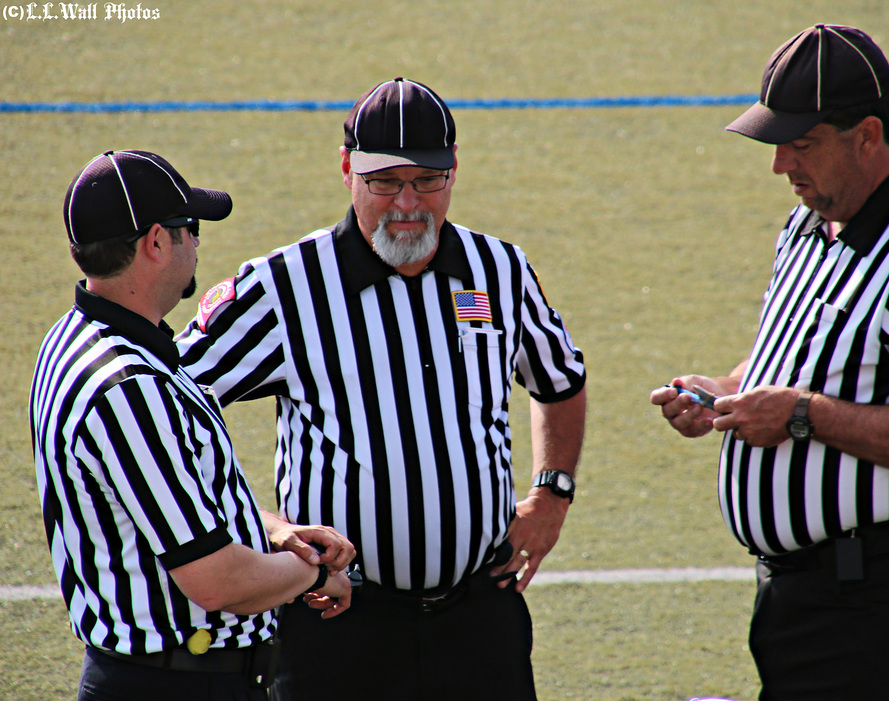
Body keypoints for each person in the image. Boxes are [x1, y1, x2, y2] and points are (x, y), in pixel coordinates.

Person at [176, 77, 588, 700]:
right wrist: (269, 529)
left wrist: (552, 493)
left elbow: (559, 379)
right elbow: (165, 410)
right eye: (385, 182)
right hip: (337, 625)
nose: (407, 204)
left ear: (454, 173)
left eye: (426, 181)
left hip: (479, 619)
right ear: (346, 170)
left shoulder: (497, 270)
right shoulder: (286, 287)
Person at [650, 25, 889, 701]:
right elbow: (794, 359)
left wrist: (804, 417)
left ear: (866, 136)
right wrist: (722, 391)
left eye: (802, 143)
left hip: (882, 600)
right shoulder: (811, 223)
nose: (781, 164)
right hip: (803, 593)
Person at [30, 150, 357, 701]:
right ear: (157, 242)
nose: (198, 243)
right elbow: (217, 581)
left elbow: (162, 499)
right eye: (190, 229)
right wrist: (316, 574)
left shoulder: (79, 339)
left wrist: (274, 532)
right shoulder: (129, 386)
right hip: (174, 684)